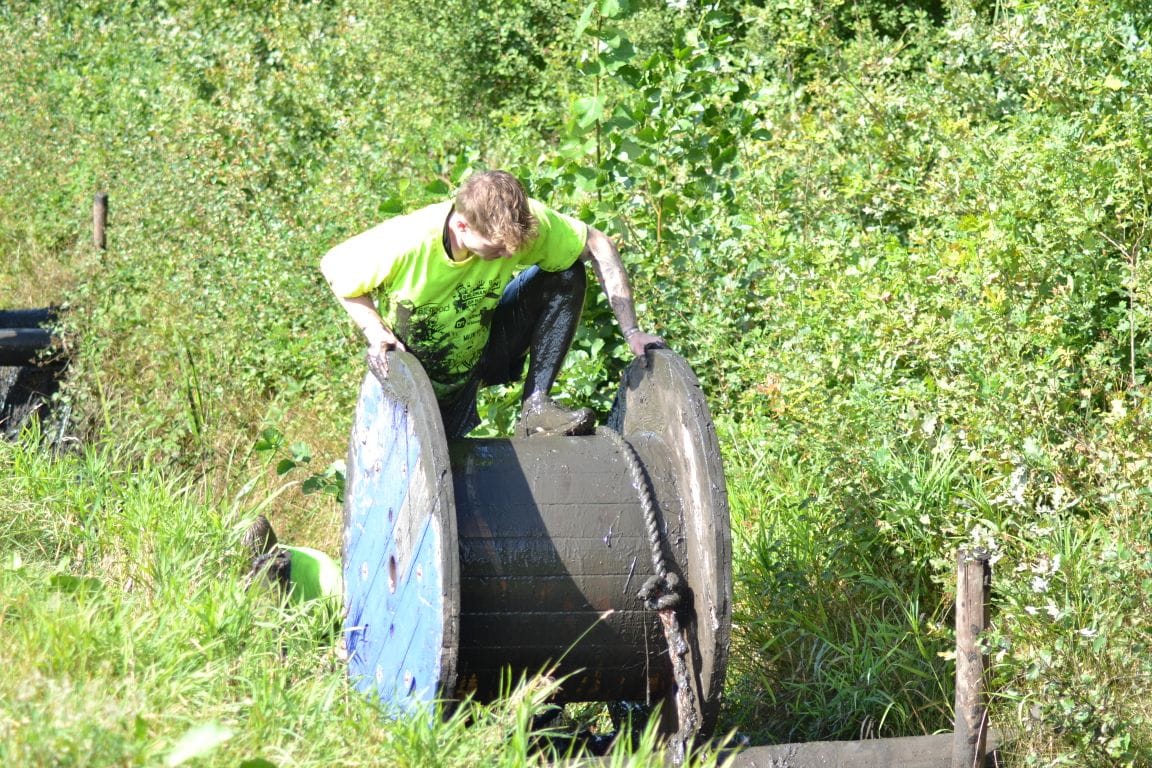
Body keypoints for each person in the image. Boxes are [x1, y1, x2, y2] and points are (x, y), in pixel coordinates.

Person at [319, 170, 663, 437]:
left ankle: (536, 408)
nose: (509, 254)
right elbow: (333, 267)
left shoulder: (518, 227)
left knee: (566, 275)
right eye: (498, 249)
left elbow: (599, 245)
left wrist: (632, 331)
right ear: (462, 225)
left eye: (513, 247)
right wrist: (375, 330)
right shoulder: (407, 242)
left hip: (481, 349)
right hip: (419, 375)